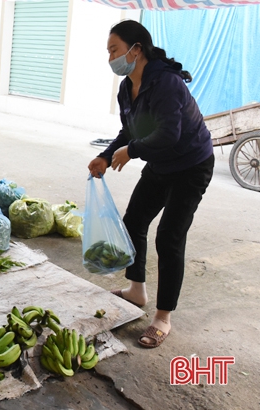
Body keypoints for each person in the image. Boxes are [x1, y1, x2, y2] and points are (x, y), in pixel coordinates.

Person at [87, 20, 214, 348]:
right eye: (109, 52)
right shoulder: (126, 87)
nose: (111, 58)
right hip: (162, 163)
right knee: (134, 222)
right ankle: (136, 290)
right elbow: (129, 130)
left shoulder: (166, 83)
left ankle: (163, 317)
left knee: (169, 237)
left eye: (115, 50)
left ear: (136, 49)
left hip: (192, 164)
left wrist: (132, 152)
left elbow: (168, 135)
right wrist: (106, 155)